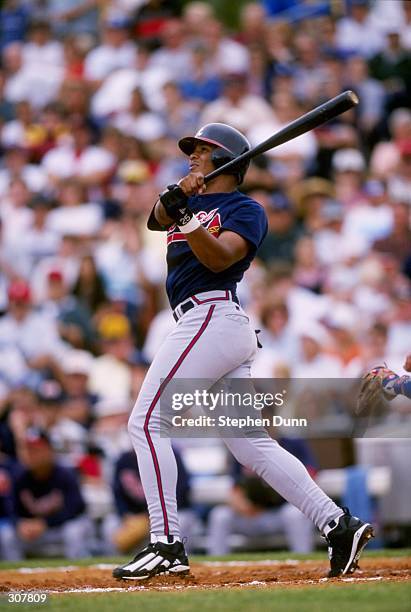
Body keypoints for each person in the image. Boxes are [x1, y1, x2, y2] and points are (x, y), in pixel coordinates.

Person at [113, 122, 373, 581]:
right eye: (191, 150)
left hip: (212, 317)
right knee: (250, 444)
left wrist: (187, 214)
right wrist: (178, 195)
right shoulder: (188, 198)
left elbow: (219, 259)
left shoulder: (246, 208)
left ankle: (165, 541)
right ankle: (338, 525)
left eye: (202, 150)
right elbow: (156, 217)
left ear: (227, 160)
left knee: (146, 421)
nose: (192, 155)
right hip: (205, 326)